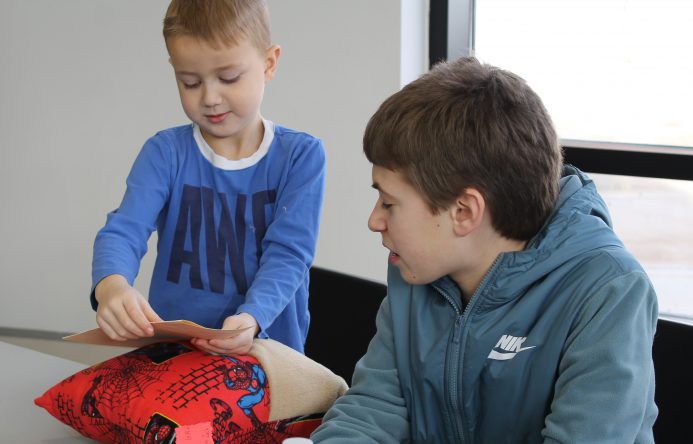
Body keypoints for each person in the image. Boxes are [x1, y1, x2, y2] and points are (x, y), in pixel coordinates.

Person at [311, 57, 658, 443]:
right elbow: (372, 411)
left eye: (389, 203)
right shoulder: (415, 272)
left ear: (464, 212)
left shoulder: (608, 290)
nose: (374, 221)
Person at [90, 0, 325, 356]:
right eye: (190, 82)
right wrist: (111, 286)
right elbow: (124, 230)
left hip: (266, 356)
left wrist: (251, 318)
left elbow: (289, 254)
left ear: (269, 63)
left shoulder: (299, 156)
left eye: (229, 78)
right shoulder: (165, 152)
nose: (210, 98)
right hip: (176, 358)